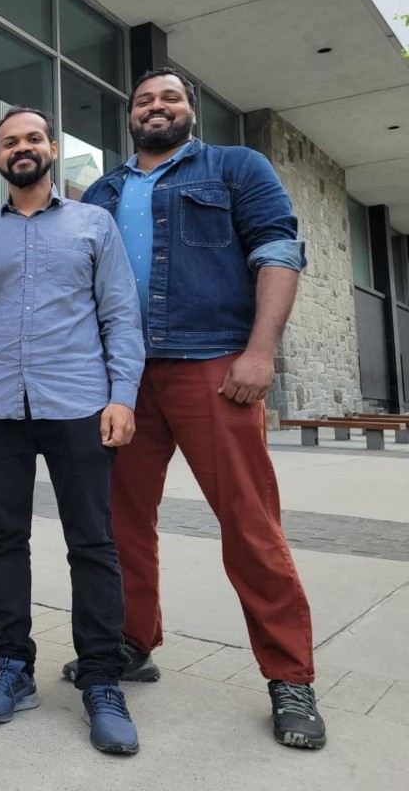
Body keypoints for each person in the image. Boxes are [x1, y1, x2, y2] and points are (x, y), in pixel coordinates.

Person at [76, 68, 325, 749]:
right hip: (125, 377)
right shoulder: (104, 190)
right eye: (145, 100)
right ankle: (133, 640)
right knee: (120, 522)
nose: (157, 108)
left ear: (190, 110)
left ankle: (289, 677)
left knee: (249, 524)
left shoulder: (235, 167)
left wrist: (260, 352)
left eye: (170, 98)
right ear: (129, 116)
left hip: (214, 365)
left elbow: (277, 249)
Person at [0, 107, 144, 754]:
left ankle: (103, 678)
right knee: (3, 538)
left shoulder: (93, 224)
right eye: (9, 142)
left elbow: (121, 316)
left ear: (51, 149)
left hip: (79, 405)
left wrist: (122, 397)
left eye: (32, 138)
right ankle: (12, 667)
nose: (21, 148)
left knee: (92, 541)